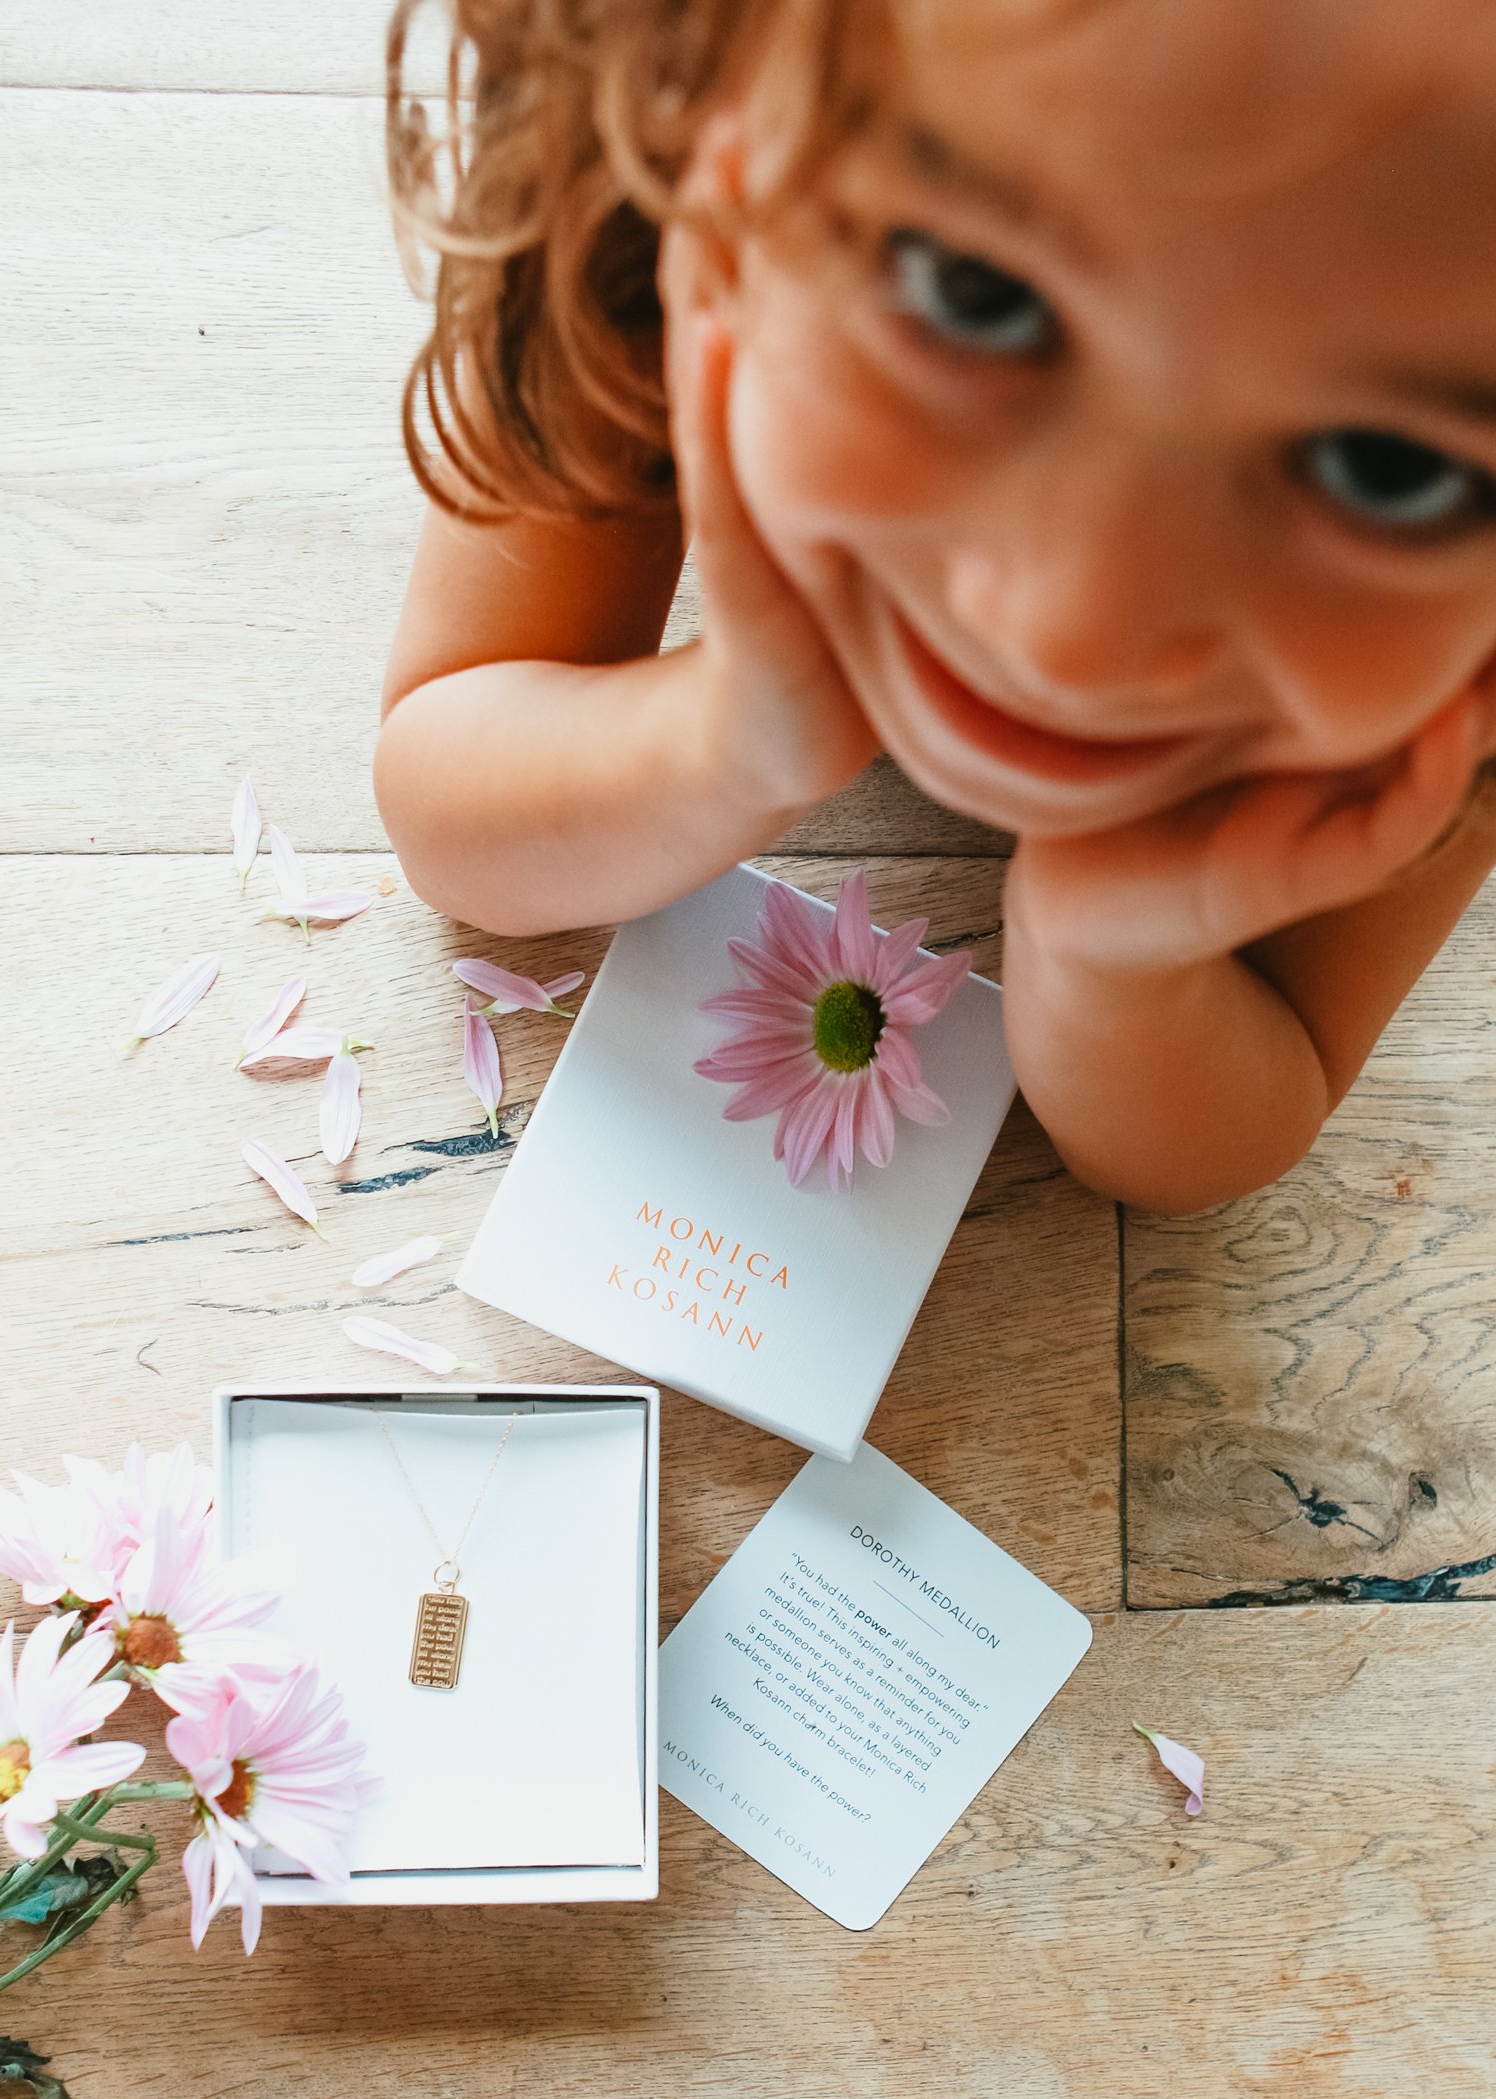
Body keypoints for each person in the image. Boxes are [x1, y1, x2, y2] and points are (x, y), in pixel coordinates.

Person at [375, 0, 1496, 1213]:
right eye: (970, 293)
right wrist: (734, 732)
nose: (1069, 640)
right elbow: (448, 801)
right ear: (700, 110)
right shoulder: (643, 154)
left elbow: (1216, 1146)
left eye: (1390, 473)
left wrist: (1110, 955)